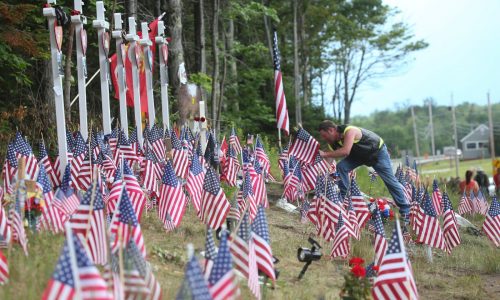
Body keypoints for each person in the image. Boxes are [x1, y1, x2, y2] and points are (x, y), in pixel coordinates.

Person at [317, 120, 410, 221]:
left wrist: (325, 154)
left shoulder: (349, 131)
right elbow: (330, 160)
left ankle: (406, 212)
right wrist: (319, 169)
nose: (324, 138)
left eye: (324, 135)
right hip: (359, 156)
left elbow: (345, 151)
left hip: (377, 153)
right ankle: (345, 199)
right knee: (341, 167)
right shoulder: (333, 143)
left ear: (331, 130)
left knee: (390, 182)